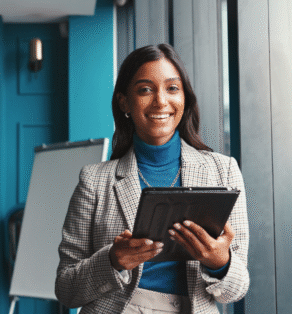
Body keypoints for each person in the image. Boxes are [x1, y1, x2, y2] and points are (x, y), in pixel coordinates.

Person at [55, 43, 249, 313]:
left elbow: (236, 290)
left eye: (172, 88)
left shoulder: (223, 171)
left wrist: (220, 262)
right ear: (124, 101)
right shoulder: (94, 181)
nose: (160, 101)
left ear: (185, 98)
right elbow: (66, 289)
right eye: (145, 89)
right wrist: (112, 260)